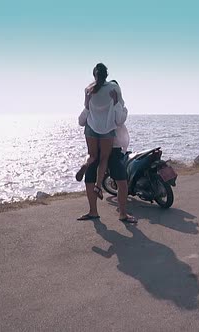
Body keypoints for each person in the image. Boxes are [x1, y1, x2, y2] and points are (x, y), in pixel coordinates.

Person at [77, 80, 137, 223]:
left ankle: (112, 212)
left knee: (115, 181)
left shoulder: (114, 108)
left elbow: (82, 121)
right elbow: (118, 121)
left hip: (106, 148)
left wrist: (89, 103)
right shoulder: (107, 108)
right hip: (108, 148)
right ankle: (102, 212)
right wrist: (90, 105)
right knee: (116, 180)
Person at [75, 63, 121, 200]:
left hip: (91, 127)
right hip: (107, 127)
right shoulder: (114, 88)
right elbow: (119, 104)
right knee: (104, 158)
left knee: (92, 155)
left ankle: (85, 165)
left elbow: (86, 106)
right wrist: (116, 100)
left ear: (94, 75)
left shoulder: (88, 89)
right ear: (106, 75)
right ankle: (98, 186)